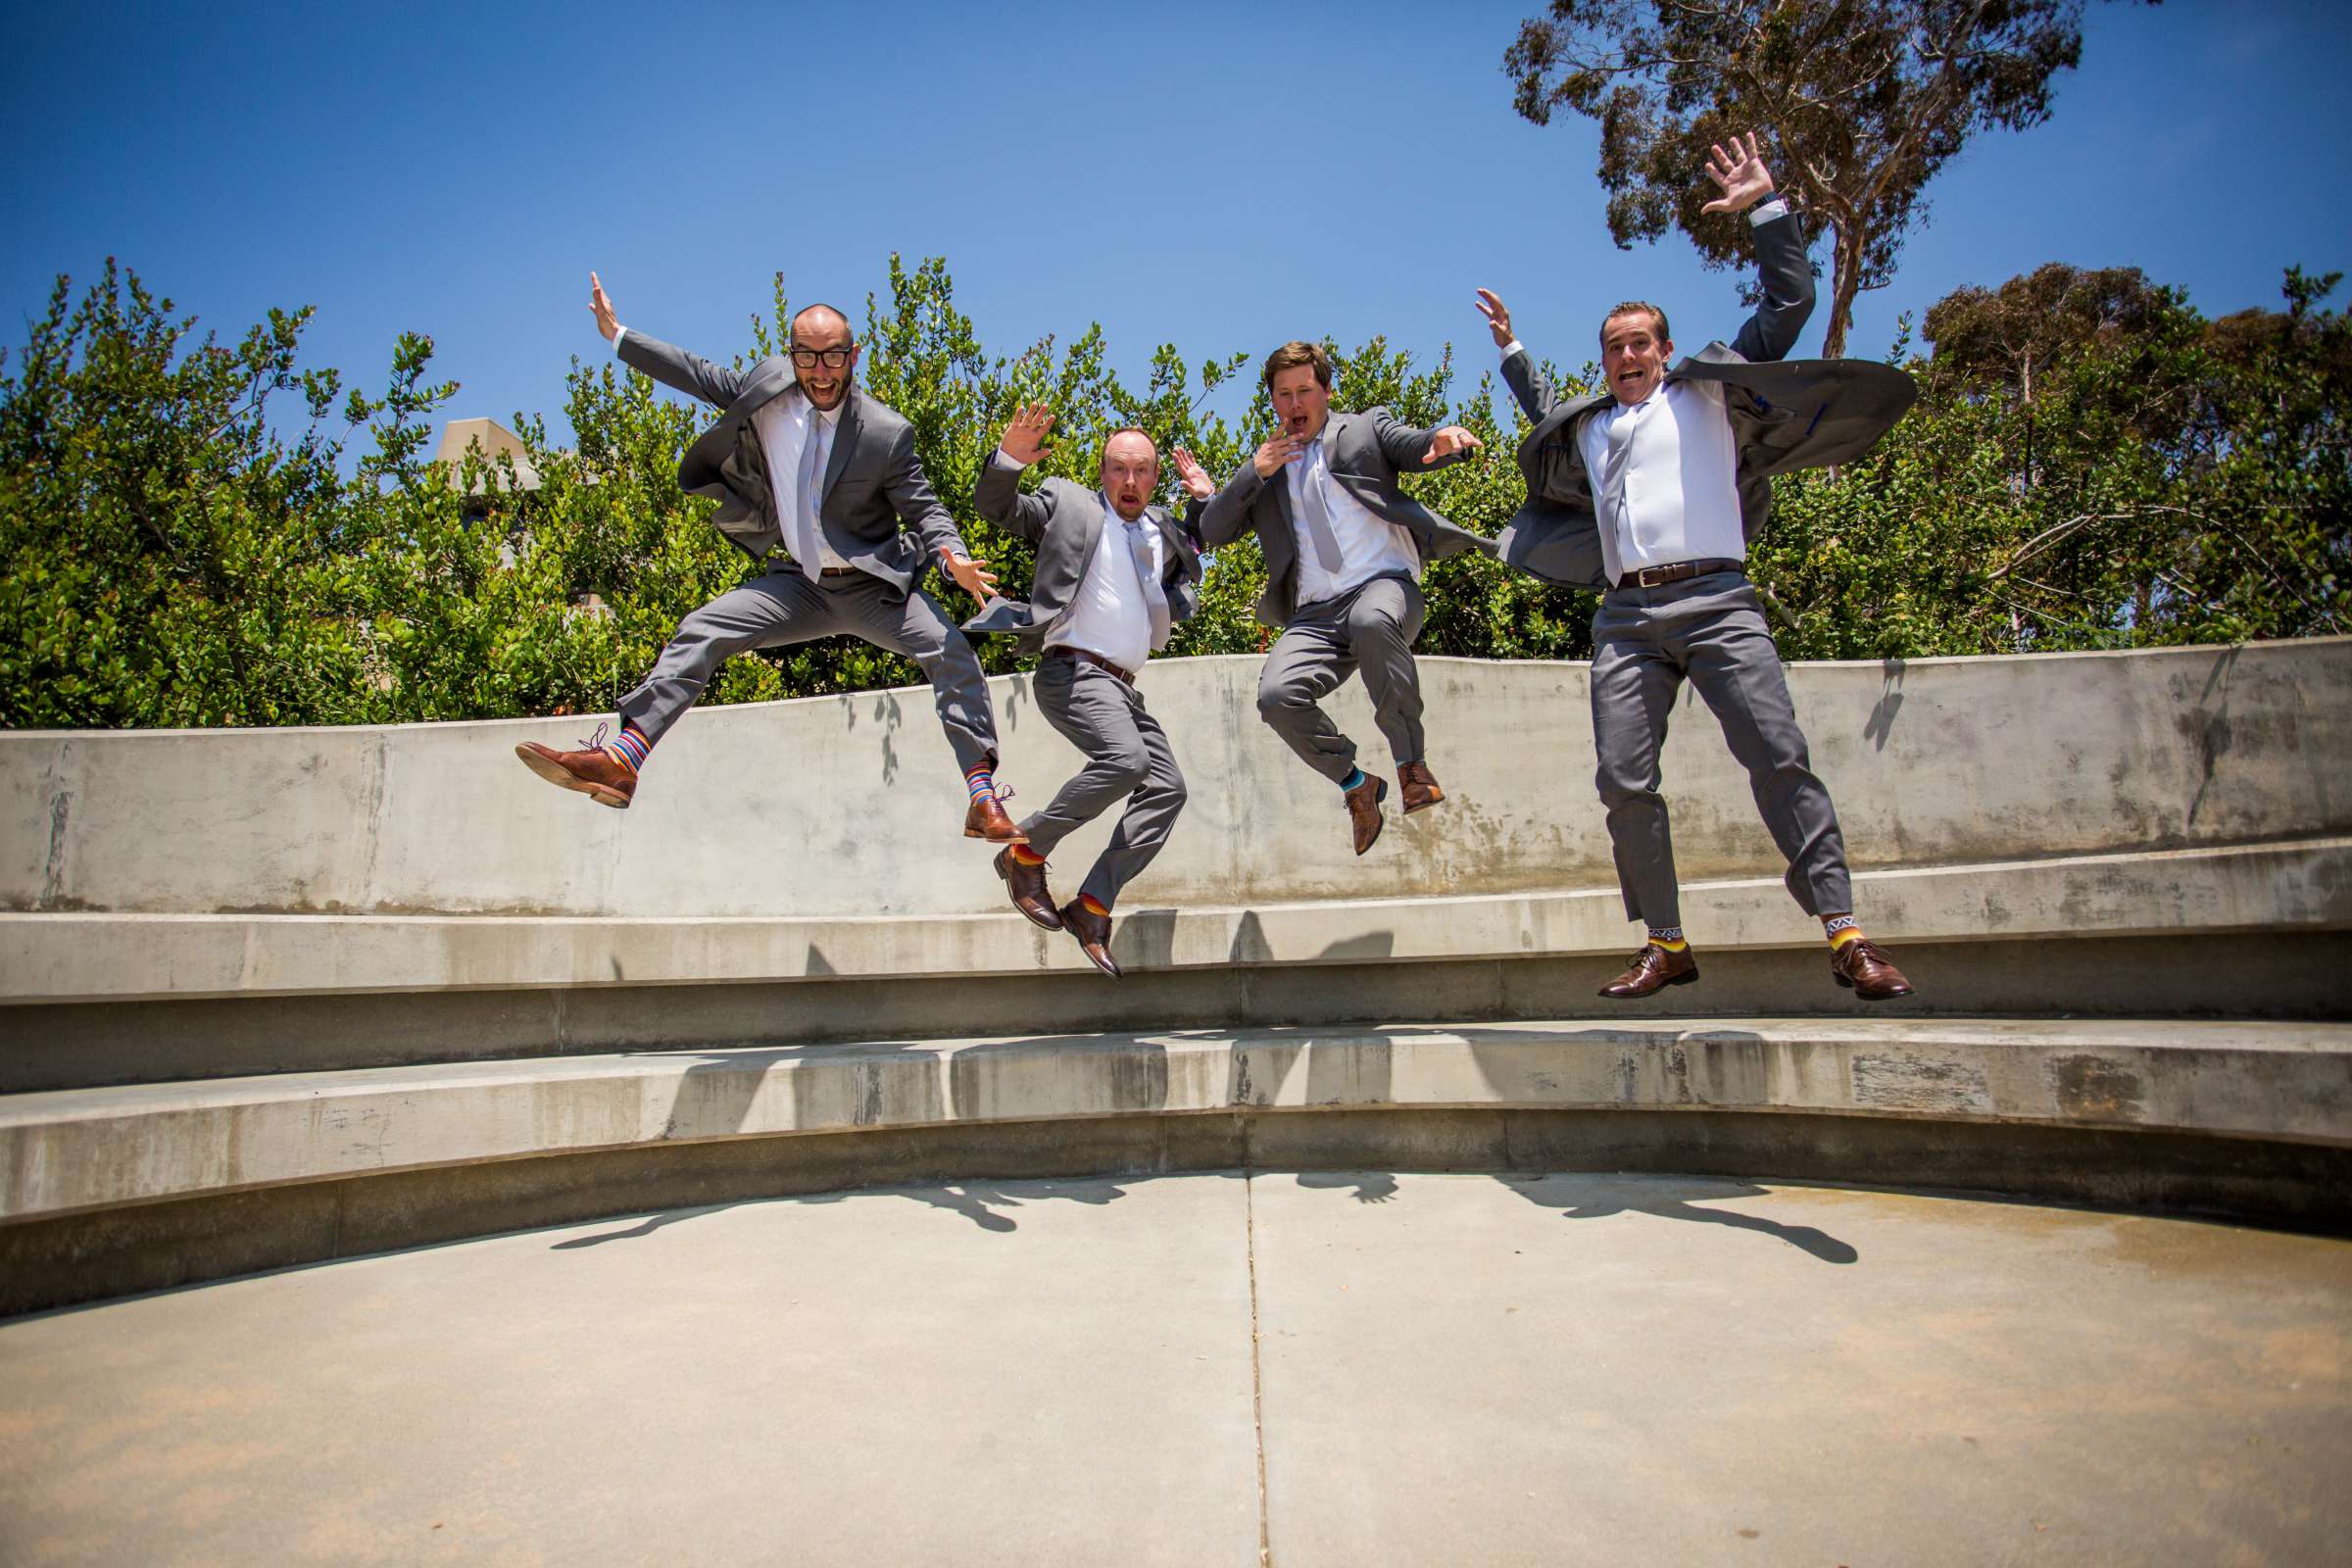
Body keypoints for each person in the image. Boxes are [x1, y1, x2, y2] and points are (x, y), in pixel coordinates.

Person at [1477, 132, 1919, 1002]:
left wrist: (1765, 211)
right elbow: (1543, 417)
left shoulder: (1711, 393)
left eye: (1641, 342)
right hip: (1627, 619)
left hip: (1720, 600)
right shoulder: (1594, 425)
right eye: (1614, 347)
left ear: (1667, 350)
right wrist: (1512, 352)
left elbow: (1789, 303)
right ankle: (1667, 942)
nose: (1628, 356)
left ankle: (1845, 932)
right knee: (1623, 779)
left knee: (1778, 756)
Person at [514, 274, 1023, 843]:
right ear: (792, 355)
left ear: (853, 355)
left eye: (833, 357)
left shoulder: (884, 433)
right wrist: (619, 335)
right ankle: (623, 762)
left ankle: (982, 798)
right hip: (800, 586)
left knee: (951, 652)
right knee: (704, 627)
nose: (821, 370)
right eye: (807, 356)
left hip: (873, 590)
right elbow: (695, 372)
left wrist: (952, 555)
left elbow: (924, 508)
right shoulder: (766, 395)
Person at [1196, 342, 1492, 857]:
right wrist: (1253, 472)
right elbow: (1213, 530)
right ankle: (1357, 786)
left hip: (1382, 587)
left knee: (1373, 621)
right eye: (1283, 394)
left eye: (1304, 391)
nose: (1294, 404)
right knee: (1276, 697)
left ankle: (1411, 767)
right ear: (1272, 402)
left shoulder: (1362, 429)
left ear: (1325, 392)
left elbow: (1410, 445)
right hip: (1316, 615)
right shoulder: (1268, 468)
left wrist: (1440, 441)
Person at [965, 406, 1209, 977]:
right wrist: (1007, 462)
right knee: (1126, 761)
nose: (1130, 482)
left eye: (1143, 471)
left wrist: (1203, 501)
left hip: (1124, 688)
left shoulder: (1163, 529)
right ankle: (1024, 856)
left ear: (1155, 478)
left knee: (1166, 788)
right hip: (1072, 671)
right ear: (1102, 473)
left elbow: (1210, 535)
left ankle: (1093, 903)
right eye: (1119, 469)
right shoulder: (1070, 507)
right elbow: (999, 508)